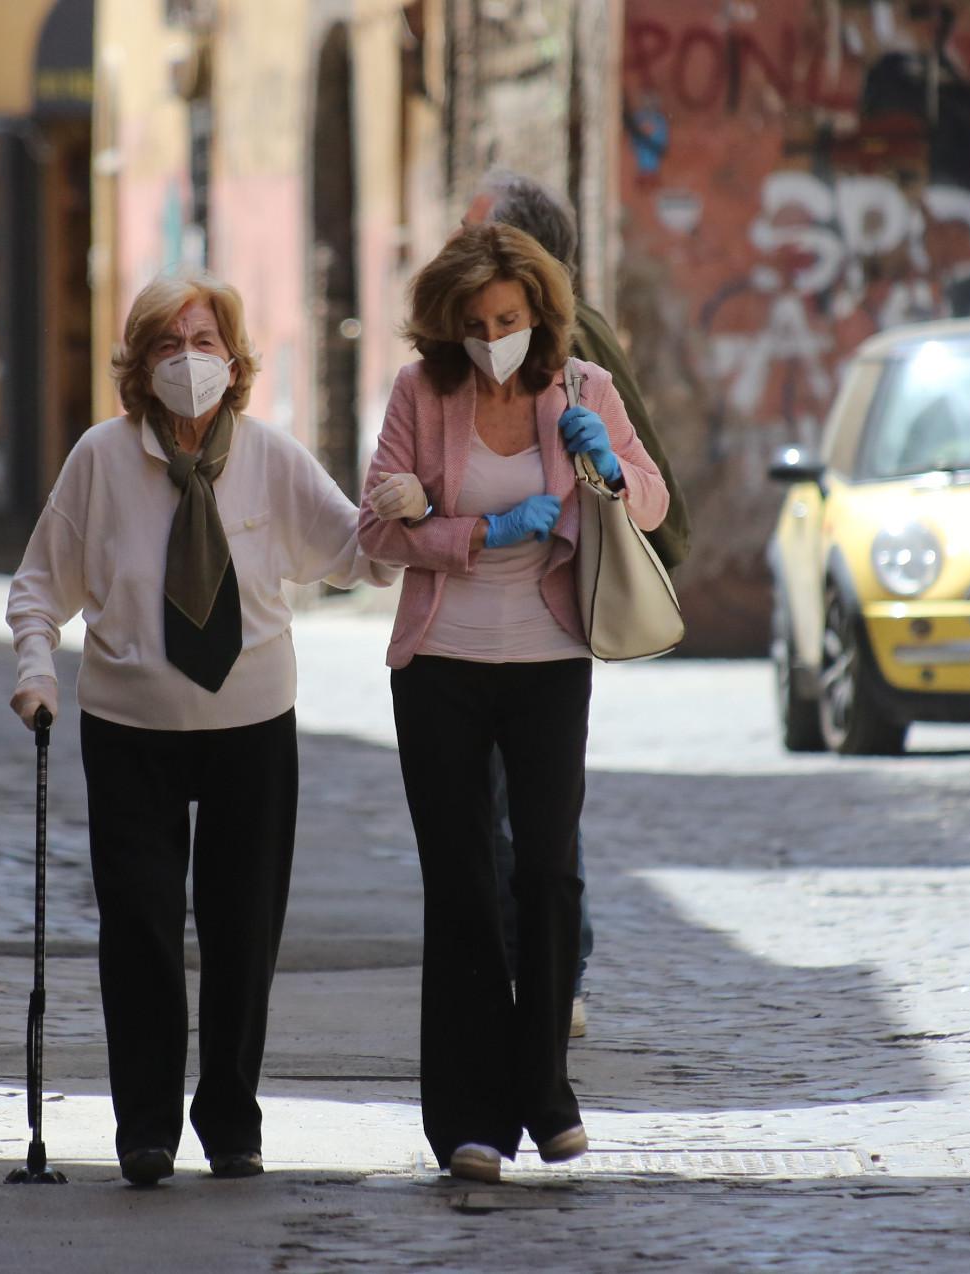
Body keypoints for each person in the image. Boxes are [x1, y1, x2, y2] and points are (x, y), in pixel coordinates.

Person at [5, 271, 395, 1187]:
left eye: (205, 342)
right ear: (141, 367)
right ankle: (144, 1127)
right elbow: (38, 588)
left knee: (242, 928)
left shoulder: (271, 457)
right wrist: (34, 671)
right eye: (168, 346)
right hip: (127, 720)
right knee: (138, 927)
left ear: (236, 360)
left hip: (251, 723)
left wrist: (405, 508)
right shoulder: (100, 460)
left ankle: (230, 1118)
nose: (189, 361)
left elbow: (358, 553)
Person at [358, 224, 669, 1183]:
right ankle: (466, 1118)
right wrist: (477, 533)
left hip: (547, 659)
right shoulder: (422, 393)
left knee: (547, 873)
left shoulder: (584, 390)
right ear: (449, 325)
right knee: (459, 887)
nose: (494, 335)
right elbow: (376, 526)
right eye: (476, 322)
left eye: (509, 318)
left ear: (537, 316)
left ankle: (544, 1091)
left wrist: (607, 470)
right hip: (442, 662)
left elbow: (653, 503)